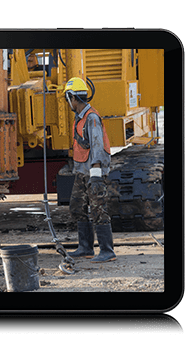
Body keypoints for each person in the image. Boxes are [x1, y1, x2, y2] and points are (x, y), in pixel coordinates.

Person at [64, 77, 116, 263]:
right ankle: (86, 248)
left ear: (73, 97)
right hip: (82, 172)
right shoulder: (80, 118)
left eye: (67, 98)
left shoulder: (91, 118)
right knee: (77, 207)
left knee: (98, 210)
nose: (67, 102)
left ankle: (107, 251)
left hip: (93, 173)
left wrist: (96, 176)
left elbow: (96, 146)